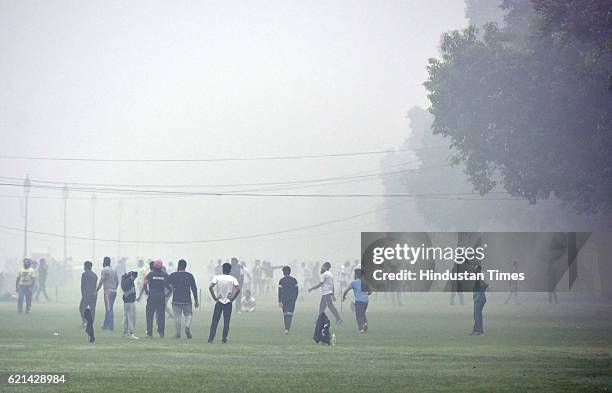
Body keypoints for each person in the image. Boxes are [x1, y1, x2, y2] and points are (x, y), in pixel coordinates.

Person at [208, 262, 240, 344]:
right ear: (230, 270)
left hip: (219, 301)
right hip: (228, 302)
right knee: (226, 322)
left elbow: (210, 287)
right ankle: (224, 338)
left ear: (222, 269)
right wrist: (233, 298)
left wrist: (215, 298)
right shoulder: (233, 279)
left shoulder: (217, 277)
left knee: (215, 321)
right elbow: (238, 289)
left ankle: (211, 339)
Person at [167, 259, 199, 339]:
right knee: (189, 314)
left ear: (178, 266)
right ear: (185, 266)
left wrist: (172, 288)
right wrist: (196, 300)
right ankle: (187, 326)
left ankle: (178, 334)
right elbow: (194, 288)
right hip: (187, 299)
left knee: (177, 317)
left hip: (176, 299)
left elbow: (166, 283)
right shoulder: (189, 275)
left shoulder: (173, 275)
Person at [138, 259, 169, 338]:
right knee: (161, 315)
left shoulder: (150, 274)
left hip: (152, 296)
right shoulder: (165, 275)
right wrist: (167, 294)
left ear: (154, 266)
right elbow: (169, 286)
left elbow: (145, 284)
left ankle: (149, 333)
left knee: (150, 315)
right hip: (161, 297)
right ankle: (161, 333)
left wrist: (147, 291)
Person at [342, 268, 371, 333]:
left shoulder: (354, 282)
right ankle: (365, 324)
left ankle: (361, 328)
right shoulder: (365, 282)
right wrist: (365, 294)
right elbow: (370, 292)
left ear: (356, 275)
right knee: (363, 314)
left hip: (359, 301)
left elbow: (346, 290)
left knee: (358, 315)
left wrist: (344, 297)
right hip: (366, 301)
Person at [96, 256, 119, 331]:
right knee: (109, 308)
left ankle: (110, 326)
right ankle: (105, 325)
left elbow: (101, 280)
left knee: (109, 309)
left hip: (107, 291)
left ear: (104, 262)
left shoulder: (104, 270)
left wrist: (97, 289)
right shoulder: (114, 270)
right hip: (114, 291)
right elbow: (117, 281)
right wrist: (114, 288)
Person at [278, 266, 298, 335]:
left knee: (285, 314)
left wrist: (280, 301)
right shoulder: (294, 280)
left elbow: (280, 291)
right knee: (290, 314)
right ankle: (287, 329)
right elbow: (296, 291)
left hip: (284, 300)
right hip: (292, 300)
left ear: (283, 272)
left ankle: (286, 329)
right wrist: (295, 299)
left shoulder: (281, 280)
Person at [471, 265, 488, 336]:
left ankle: (480, 331)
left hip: (479, 298)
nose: (474, 270)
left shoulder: (479, 276)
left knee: (477, 315)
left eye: (475, 269)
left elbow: (485, 284)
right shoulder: (478, 276)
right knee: (476, 314)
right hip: (479, 297)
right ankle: (476, 330)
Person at [121, 271, 139, 339]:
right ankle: (131, 333)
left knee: (126, 317)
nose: (134, 278)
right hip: (130, 302)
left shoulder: (125, 281)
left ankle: (125, 333)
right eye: (134, 276)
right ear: (131, 276)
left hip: (126, 302)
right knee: (131, 318)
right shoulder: (129, 281)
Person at [80, 261, 98, 326]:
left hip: (86, 294)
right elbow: (95, 286)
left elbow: (82, 285)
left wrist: (83, 294)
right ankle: (91, 322)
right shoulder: (95, 275)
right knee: (92, 309)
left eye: (84, 266)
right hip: (94, 294)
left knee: (81, 308)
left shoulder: (84, 274)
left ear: (86, 267)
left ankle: (84, 320)